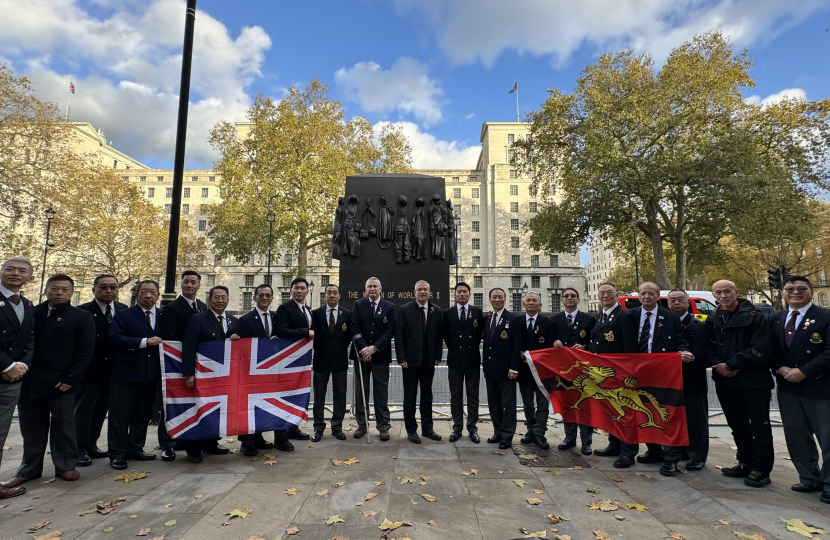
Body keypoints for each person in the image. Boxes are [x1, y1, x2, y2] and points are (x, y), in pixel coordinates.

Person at [4, 274, 94, 489]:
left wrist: (71, 378)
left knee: (64, 425)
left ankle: (66, 466)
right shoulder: (31, 313)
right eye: (55, 289)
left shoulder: (81, 316)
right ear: (46, 290)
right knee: (31, 426)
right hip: (30, 379)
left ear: (72, 293)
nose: (59, 293)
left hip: (62, 381)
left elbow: (86, 351)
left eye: (64, 289)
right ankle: (30, 468)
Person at [706, 279, 773, 487]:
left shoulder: (756, 317)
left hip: (754, 382)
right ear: (714, 295)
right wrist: (718, 364)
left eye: (727, 291)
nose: (723, 295)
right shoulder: (713, 318)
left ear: (737, 291)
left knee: (760, 427)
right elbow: (707, 347)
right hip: (725, 382)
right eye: (718, 292)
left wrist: (732, 365)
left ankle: (761, 469)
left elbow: (761, 347)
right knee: (738, 425)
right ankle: (745, 462)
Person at [618, 282, 690, 474]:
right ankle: (630, 453)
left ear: (659, 296)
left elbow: (679, 341)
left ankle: (670, 459)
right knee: (632, 413)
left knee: (664, 412)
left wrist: (684, 352)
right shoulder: (629, 316)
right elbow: (621, 344)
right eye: (643, 293)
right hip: (635, 373)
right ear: (639, 295)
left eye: (651, 293)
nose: (647, 296)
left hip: (663, 374)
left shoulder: (670, 317)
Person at [771, 276, 830, 503]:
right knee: (796, 436)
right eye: (790, 289)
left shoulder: (825, 316)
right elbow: (770, 351)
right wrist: (780, 368)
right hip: (788, 387)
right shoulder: (775, 319)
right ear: (783, 293)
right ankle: (809, 478)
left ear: (811, 292)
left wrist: (804, 371)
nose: (795, 292)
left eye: (801, 289)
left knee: (827, 439)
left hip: (820, 386)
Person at [106, 280, 164, 470]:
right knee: (120, 416)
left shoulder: (163, 315)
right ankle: (117, 453)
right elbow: (114, 338)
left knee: (142, 415)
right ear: (136, 294)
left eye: (153, 292)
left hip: (151, 375)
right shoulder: (124, 315)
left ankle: (135, 448)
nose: (149, 295)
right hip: (126, 374)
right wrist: (143, 342)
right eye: (144, 292)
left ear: (158, 295)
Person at [158, 270, 212, 460]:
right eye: (186, 282)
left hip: (201, 364)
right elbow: (170, 339)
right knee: (172, 402)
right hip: (177, 363)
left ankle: (191, 438)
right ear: (180, 284)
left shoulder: (204, 307)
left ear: (199, 285)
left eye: (193, 282)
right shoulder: (172, 308)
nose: (189, 285)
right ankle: (167, 444)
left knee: (193, 403)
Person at [74, 274, 127, 467]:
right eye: (103, 287)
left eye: (113, 287)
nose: (109, 291)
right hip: (90, 371)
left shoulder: (122, 310)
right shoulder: (82, 311)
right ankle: (78, 448)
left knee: (100, 410)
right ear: (94, 289)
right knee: (83, 411)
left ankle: (91, 445)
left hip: (114, 371)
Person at [181, 285, 238, 463]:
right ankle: (193, 449)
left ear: (228, 300)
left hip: (222, 376)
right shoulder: (197, 319)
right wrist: (188, 373)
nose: (220, 301)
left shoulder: (233, 321)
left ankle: (211, 443)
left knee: (216, 410)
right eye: (216, 297)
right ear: (209, 300)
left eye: (223, 297)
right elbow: (188, 346)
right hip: (202, 374)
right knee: (200, 409)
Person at [237, 283, 287, 454]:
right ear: (255, 298)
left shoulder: (277, 318)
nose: (264, 298)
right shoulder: (245, 320)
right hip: (252, 371)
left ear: (272, 298)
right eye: (261, 295)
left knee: (275, 404)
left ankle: (280, 438)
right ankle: (248, 442)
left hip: (275, 370)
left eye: (267, 295)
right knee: (251, 406)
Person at [0, 257, 35, 499]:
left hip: (12, 380)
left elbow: (29, 340)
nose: (15, 273)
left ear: (30, 277)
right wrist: (7, 364)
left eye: (22, 271)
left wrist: (21, 366)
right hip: (5, 370)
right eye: (9, 269)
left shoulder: (28, 304)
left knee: (1, 433)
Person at [590, 282, 638, 458]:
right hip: (604, 374)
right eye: (601, 293)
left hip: (619, 373)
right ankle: (614, 445)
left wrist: (627, 373)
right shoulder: (600, 316)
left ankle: (628, 452)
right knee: (612, 412)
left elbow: (630, 348)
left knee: (625, 413)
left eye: (609, 292)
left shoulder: (624, 316)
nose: (605, 296)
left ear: (616, 295)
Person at [395, 280, 443, 444]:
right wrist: (401, 358)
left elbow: (438, 336)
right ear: (414, 292)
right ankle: (411, 430)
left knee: (427, 395)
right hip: (410, 361)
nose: (422, 292)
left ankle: (428, 429)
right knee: (410, 396)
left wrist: (438, 355)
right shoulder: (405, 310)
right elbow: (399, 336)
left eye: (425, 290)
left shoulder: (436, 310)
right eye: (419, 290)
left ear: (430, 292)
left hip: (429, 361)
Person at [667, 288, 710, 471]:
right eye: (672, 300)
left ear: (687, 302)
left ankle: (697, 455)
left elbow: (702, 353)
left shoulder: (698, 324)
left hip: (692, 378)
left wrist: (689, 356)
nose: (676, 303)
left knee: (696, 420)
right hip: (670, 380)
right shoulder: (666, 324)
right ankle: (680, 451)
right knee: (675, 418)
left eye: (679, 300)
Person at [351, 277, 396, 441]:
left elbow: (390, 330)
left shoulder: (389, 307)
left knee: (381, 392)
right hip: (361, 356)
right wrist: (364, 349)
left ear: (380, 288)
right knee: (361, 392)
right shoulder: (358, 305)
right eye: (369, 286)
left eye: (375, 286)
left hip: (380, 356)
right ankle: (362, 425)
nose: (372, 289)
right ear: (365, 288)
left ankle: (383, 426)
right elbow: (354, 327)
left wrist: (374, 348)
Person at [553, 287, 596, 454]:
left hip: (583, 370)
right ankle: (569, 438)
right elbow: (549, 339)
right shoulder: (555, 319)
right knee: (568, 404)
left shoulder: (588, 319)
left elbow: (594, 340)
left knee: (585, 405)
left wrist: (585, 346)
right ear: (562, 300)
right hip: (563, 369)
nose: (569, 298)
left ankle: (587, 442)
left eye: (573, 296)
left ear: (578, 300)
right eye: (566, 296)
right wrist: (554, 341)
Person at [442, 282, 484, 443]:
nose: (461, 294)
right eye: (458, 292)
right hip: (455, 360)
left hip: (472, 360)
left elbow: (480, 333)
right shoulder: (448, 313)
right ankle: (457, 428)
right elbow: (445, 334)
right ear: (454, 294)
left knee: (473, 396)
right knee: (456, 396)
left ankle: (472, 428)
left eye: (464, 292)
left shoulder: (477, 312)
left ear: (469, 294)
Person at [274, 277, 314, 444]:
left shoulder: (308, 309)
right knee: (284, 396)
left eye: (302, 288)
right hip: (288, 360)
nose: (299, 291)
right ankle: (280, 434)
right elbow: (282, 330)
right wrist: (306, 332)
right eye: (296, 288)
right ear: (291, 290)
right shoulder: (284, 308)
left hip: (302, 362)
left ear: (307, 291)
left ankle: (292, 427)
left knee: (296, 396)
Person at [310, 284, 352, 443]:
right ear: (325, 296)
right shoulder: (315, 314)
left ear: (339, 296)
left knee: (340, 396)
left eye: (335, 293)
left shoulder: (347, 314)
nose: (332, 295)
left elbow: (349, 336)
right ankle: (318, 428)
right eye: (329, 293)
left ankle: (337, 427)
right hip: (321, 361)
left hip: (340, 361)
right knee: (319, 396)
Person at [483, 288, 522, 449]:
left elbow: (516, 346)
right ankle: (497, 431)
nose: (497, 300)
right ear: (490, 299)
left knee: (508, 404)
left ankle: (507, 435)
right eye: (494, 297)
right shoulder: (487, 318)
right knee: (494, 403)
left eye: (500, 297)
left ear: (505, 299)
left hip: (507, 371)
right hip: (490, 370)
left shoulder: (513, 319)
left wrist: (514, 368)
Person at [518, 292, 555, 450]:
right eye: (528, 300)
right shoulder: (517, 321)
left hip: (542, 372)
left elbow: (549, 346)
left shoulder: (548, 322)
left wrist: (534, 358)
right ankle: (530, 431)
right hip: (524, 371)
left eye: (535, 301)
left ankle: (540, 433)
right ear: (523, 304)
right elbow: (515, 343)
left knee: (542, 405)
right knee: (528, 404)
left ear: (540, 305)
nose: (531, 303)